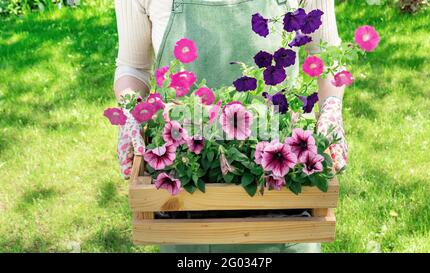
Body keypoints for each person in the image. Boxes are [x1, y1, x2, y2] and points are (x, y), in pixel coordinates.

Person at [114, 0, 348, 253]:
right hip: (185, 194)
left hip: (281, 188)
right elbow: (134, 67)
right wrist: (131, 112)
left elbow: (327, 56)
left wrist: (331, 108)